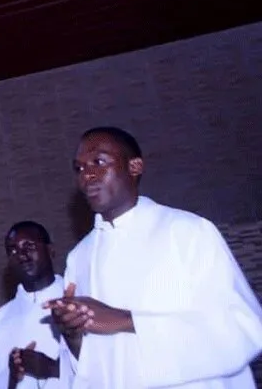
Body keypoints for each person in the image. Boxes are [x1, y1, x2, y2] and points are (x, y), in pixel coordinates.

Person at [44, 126, 262, 388]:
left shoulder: (187, 231)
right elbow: (93, 369)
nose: (86, 175)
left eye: (99, 162)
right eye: (78, 168)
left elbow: (239, 328)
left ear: (135, 166)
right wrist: (73, 335)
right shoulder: (79, 258)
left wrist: (125, 320)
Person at [0, 221, 63, 389]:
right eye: (13, 250)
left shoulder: (79, 300)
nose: (22, 255)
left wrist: (54, 369)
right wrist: (10, 378)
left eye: (29, 246)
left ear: (50, 250)